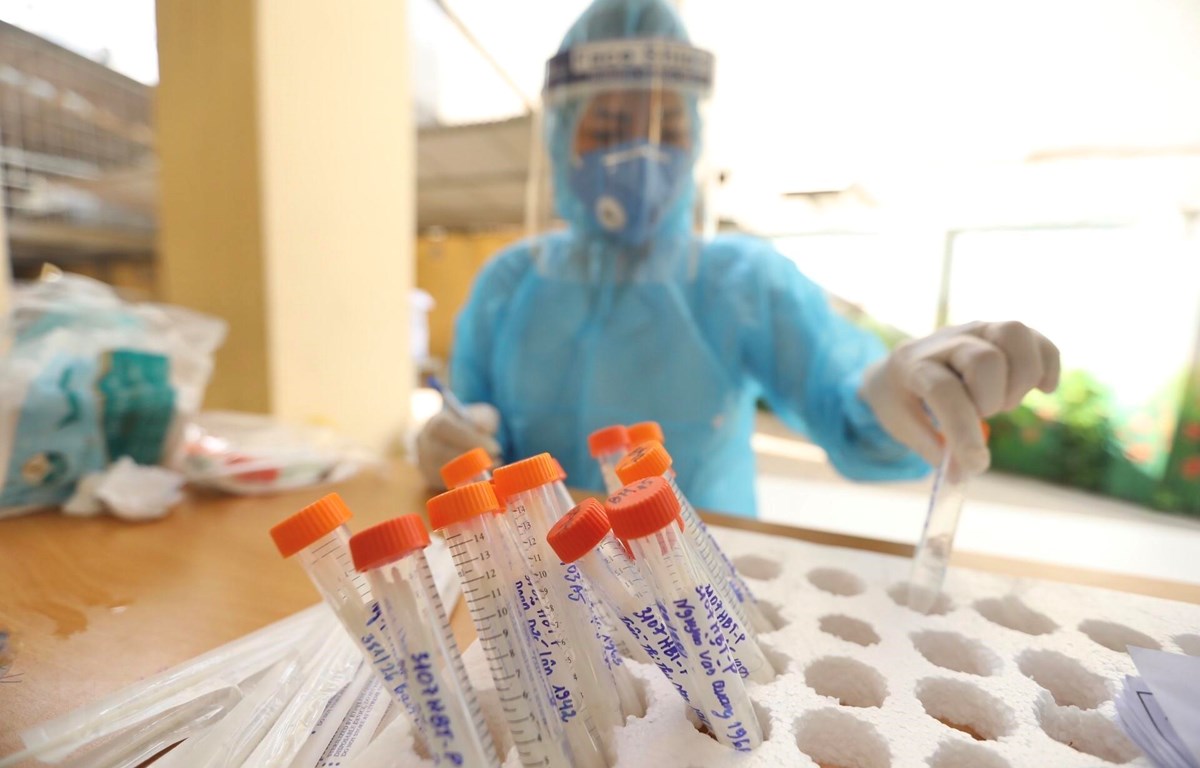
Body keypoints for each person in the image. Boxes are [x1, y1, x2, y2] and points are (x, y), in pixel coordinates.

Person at [416, 0, 1059, 517]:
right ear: (561, 139)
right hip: (545, 581)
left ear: (696, 140)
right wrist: (448, 450)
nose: (639, 154)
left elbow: (845, 405)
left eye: (667, 129)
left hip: (699, 590)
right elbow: (476, 432)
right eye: (607, 129)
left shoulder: (740, 281)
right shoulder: (509, 283)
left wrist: (888, 394)